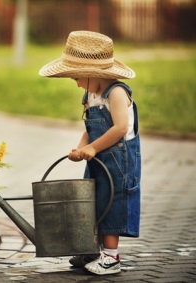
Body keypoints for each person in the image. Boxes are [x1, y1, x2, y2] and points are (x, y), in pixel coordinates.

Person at [39, 30, 141, 275]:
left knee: (111, 202)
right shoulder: (91, 94)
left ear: (94, 73)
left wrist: (93, 147)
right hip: (98, 157)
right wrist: (82, 147)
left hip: (119, 159)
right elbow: (90, 129)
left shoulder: (116, 93)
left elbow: (120, 128)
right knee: (91, 201)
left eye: (77, 77)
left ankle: (111, 258)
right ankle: (91, 249)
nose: (75, 83)